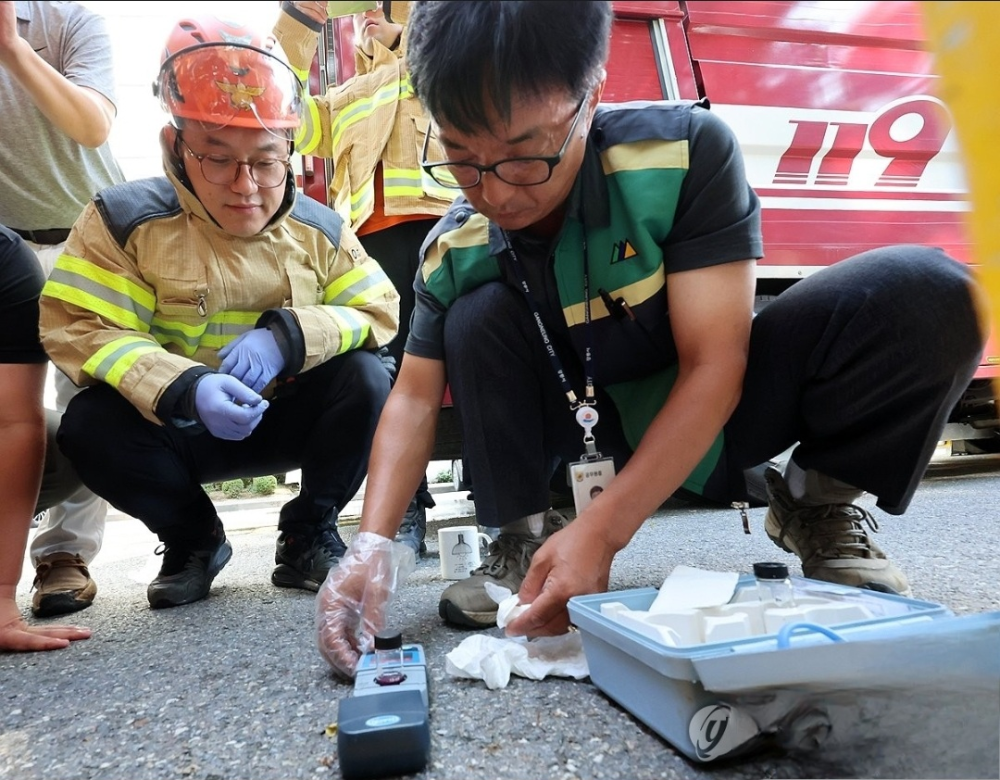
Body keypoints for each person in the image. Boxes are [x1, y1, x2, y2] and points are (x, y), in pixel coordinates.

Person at [313, 0, 988, 678]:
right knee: (474, 314)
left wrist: (604, 534)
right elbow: (413, 400)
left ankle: (818, 502)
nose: (497, 195)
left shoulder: (681, 155)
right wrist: (371, 547)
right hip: (588, 436)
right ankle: (521, 539)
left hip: (717, 418)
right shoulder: (454, 245)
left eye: (525, 156)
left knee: (934, 293)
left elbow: (715, 364)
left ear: (591, 96)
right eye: (462, 159)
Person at [38, 15, 400, 611]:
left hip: (284, 416)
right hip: (173, 429)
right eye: (217, 158)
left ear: (289, 151)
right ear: (174, 147)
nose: (246, 185)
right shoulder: (121, 221)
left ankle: (308, 533)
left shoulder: (321, 228)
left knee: (369, 376)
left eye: (266, 160)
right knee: (88, 425)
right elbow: (81, 328)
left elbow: (378, 308)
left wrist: (288, 337)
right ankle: (194, 539)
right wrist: (186, 386)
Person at [274, 0, 457, 556]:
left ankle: (513, 509)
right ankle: (404, 507)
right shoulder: (347, 94)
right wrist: (298, 23)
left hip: (443, 229)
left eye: (387, 6)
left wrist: (407, 37)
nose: (372, 14)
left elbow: (476, 69)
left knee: (475, 361)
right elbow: (281, 108)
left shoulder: (436, 60)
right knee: (391, 380)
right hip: (364, 251)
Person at [0, 0, 126, 618]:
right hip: (5, 250)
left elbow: (93, 125)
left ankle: (63, 555)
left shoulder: (68, 21)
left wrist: (12, 50)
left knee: (86, 396)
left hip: (89, 236)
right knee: (11, 412)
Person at [0, 224, 91, 652]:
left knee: (69, 443)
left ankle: (63, 552)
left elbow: (13, 423)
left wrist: (1, 600)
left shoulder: (6, 257)